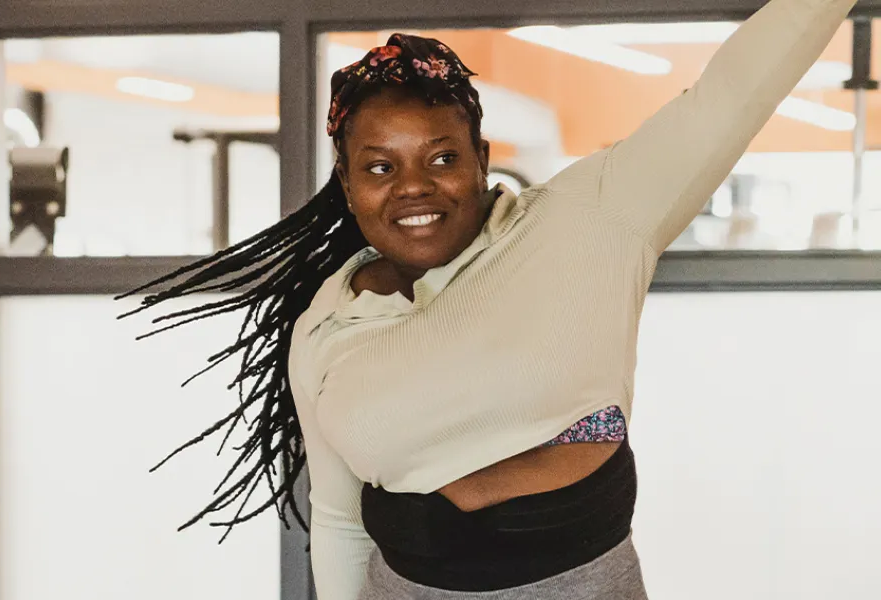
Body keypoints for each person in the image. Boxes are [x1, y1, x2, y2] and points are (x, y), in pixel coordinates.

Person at [119, 0, 859, 597]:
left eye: (442, 157)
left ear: (481, 158)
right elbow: (342, 521)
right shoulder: (326, 324)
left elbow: (730, 95)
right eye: (380, 167)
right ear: (348, 185)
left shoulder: (587, 221)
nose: (413, 187)